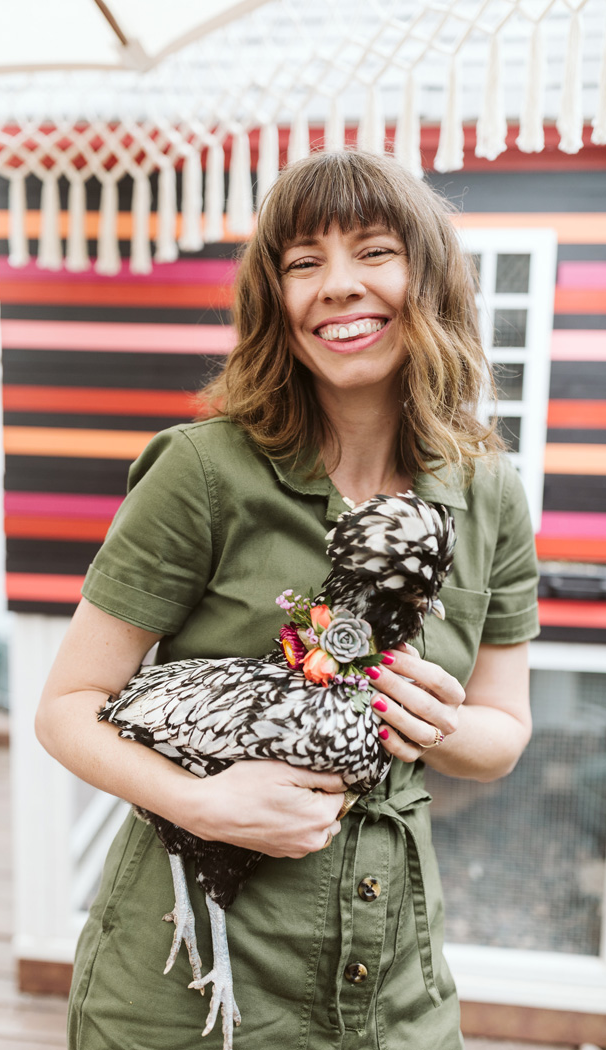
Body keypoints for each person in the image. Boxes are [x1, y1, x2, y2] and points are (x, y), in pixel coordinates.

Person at [35, 149, 539, 1050]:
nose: (337, 286)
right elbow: (68, 708)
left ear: (429, 277)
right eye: (303, 263)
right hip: (184, 980)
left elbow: (503, 731)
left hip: (391, 981)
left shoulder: (488, 492)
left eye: (374, 252)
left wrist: (439, 726)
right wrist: (204, 805)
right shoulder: (202, 471)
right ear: (276, 301)